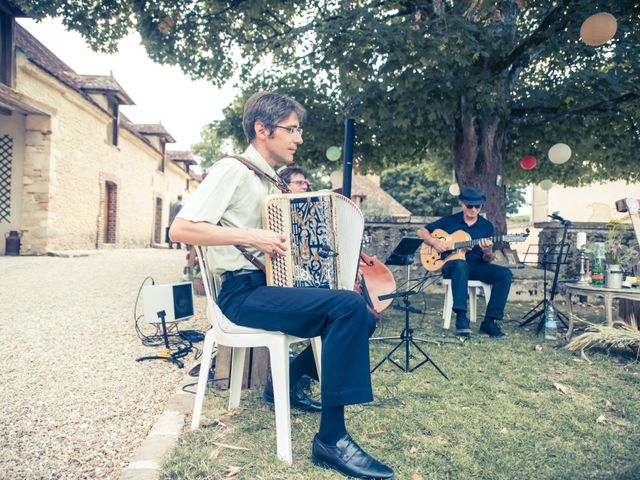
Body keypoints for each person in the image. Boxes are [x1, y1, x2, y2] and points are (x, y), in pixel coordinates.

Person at [170, 92, 393, 479]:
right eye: (291, 129)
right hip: (240, 294)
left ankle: (286, 380)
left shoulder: (273, 182)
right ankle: (332, 438)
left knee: (363, 311)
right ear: (262, 129)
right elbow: (181, 228)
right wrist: (253, 237)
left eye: (298, 130)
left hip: (269, 286)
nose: (299, 138)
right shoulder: (233, 170)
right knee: (347, 309)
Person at [417, 186, 512, 339]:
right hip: (450, 264)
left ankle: (490, 321)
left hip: (475, 266)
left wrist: (488, 252)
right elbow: (421, 231)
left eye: (477, 206)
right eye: (470, 205)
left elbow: (487, 259)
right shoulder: (450, 221)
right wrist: (434, 242)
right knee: (460, 265)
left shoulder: (486, 226)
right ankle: (461, 317)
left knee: (504, 274)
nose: (473, 209)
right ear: (462, 204)